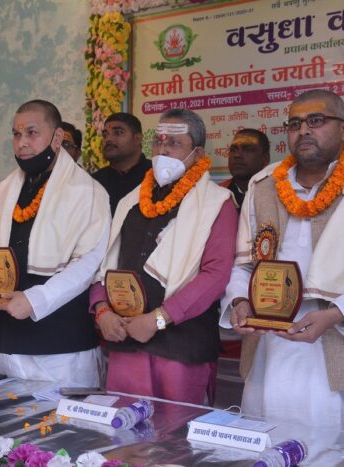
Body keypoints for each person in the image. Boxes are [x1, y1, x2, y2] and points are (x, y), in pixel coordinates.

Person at [221, 90, 344, 436]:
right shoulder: (263, 185)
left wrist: (337, 315)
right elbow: (244, 263)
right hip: (271, 346)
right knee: (270, 441)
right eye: (294, 124)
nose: (304, 131)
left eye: (317, 120)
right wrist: (239, 301)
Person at [89, 109, 237, 403]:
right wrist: (102, 311)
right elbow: (103, 264)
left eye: (174, 143)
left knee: (175, 430)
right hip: (125, 341)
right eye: (158, 142)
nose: (163, 150)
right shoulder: (131, 201)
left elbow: (215, 275)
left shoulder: (217, 203)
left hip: (180, 349)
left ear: (197, 153)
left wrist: (157, 320)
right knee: (123, 427)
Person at [0, 100, 110, 387]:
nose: (22, 143)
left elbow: (89, 262)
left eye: (32, 133)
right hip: (3, 340)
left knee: (59, 417)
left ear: (57, 137)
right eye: (16, 134)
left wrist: (36, 300)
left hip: (59, 347)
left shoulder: (88, 192)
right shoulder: (3, 190)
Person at [92, 113, 152, 215]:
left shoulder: (156, 177)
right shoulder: (95, 182)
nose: (108, 139)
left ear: (137, 139)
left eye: (118, 133)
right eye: (105, 135)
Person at [219, 129, 270, 210]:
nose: (237, 155)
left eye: (247, 149)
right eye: (233, 150)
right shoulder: (217, 192)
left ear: (265, 158)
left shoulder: (276, 193)